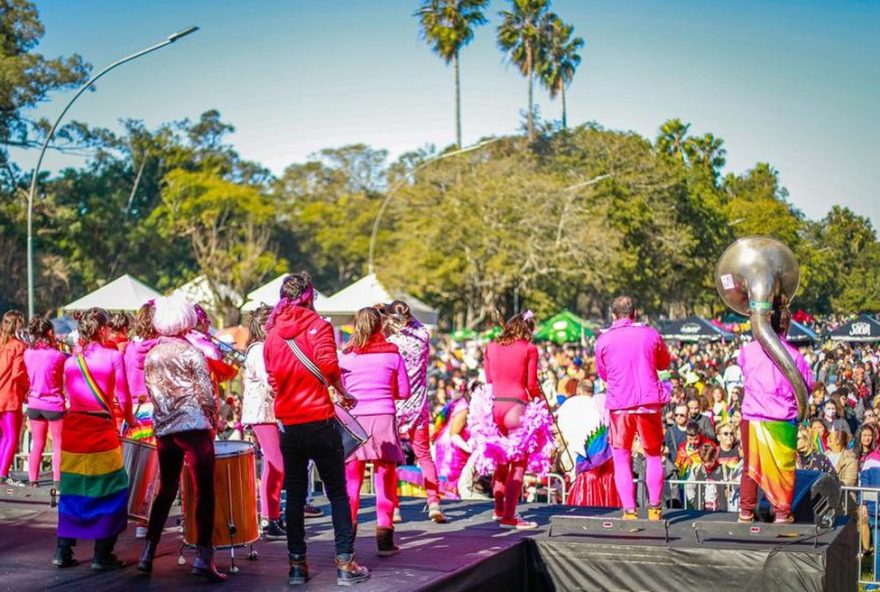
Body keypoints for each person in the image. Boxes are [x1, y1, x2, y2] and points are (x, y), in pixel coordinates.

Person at [263, 272, 369, 586]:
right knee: (336, 493)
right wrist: (341, 390)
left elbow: (272, 378)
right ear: (309, 297)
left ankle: (297, 566)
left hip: (289, 425)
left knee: (294, 494)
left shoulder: (271, 335)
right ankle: (345, 564)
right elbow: (327, 365)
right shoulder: (318, 326)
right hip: (319, 420)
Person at [138, 295, 225, 582]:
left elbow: (153, 393)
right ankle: (204, 557)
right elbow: (206, 395)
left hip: (165, 430)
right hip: (194, 428)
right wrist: (215, 421)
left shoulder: (152, 355)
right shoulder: (191, 353)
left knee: (166, 490)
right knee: (204, 492)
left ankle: (148, 552)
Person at [55, 307, 134, 570]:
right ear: (102, 330)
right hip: (101, 432)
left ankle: (63, 551)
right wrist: (131, 422)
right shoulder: (113, 357)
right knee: (110, 490)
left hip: (74, 433)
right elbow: (123, 398)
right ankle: (102, 554)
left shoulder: (70, 362)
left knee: (74, 490)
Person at [470, 311, 554, 530]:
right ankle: (509, 516)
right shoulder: (529, 348)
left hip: (493, 405)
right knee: (518, 463)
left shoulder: (490, 347)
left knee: (500, 460)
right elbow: (532, 384)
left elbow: (489, 380)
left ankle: (499, 511)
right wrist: (541, 405)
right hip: (517, 405)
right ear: (528, 329)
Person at [341, 307, 411, 555]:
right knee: (386, 480)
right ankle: (385, 540)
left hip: (354, 421)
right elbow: (404, 391)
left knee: (352, 481)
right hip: (383, 418)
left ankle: (347, 541)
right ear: (380, 326)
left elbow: (339, 389)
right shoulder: (392, 354)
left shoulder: (345, 356)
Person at [594, 295, 671, 520]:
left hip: (620, 405)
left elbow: (603, 374)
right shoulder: (650, 334)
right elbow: (664, 363)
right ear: (635, 313)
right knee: (653, 455)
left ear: (613, 315)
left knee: (621, 456)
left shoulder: (604, 341)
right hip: (648, 403)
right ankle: (655, 510)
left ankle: (630, 511)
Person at [737, 301, 813, 525]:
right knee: (783, 468)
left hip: (752, 418)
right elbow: (806, 386)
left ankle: (745, 512)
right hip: (781, 420)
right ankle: (780, 513)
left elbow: (742, 366)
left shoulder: (748, 351)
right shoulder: (795, 356)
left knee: (750, 466)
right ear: (787, 326)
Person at [385, 300, 447, 523]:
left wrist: (382, 313)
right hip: (418, 407)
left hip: (394, 407)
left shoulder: (390, 343)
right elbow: (417, 324)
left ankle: (394, 509)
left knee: (390, 460)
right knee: (424, 457)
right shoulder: (422, 337)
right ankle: (433, 504)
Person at [242, 305, 286, 539]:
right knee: (276, 462)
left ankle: (273, 514)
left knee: (274, 464)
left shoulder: (265, 348)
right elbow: (269, 381)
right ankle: (269, 517)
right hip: (262, 412)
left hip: (270, 412)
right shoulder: (258, 350)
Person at [23, 316, 68, 488]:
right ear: (50, 332)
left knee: (38, 443)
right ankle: (57, 481)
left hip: (34, 403)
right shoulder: (57, 356)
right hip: (54, 404)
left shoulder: (27, 354)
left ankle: (32, 479)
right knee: (58, 444)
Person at [0, 310, 28, 486]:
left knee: (4, 436)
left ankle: (2, 469)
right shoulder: (18, 346)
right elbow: (18, 373)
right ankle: (3, 473)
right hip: (11, 396)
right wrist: (28, 387)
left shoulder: (2, 344)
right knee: (12, 436)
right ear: (17, 324)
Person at [433, 382, 472, 499]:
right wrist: (468, 448)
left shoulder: (459, 403)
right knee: (450, 476)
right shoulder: (464, 407)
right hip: (451, 447)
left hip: (446, 442)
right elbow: (454, 433)